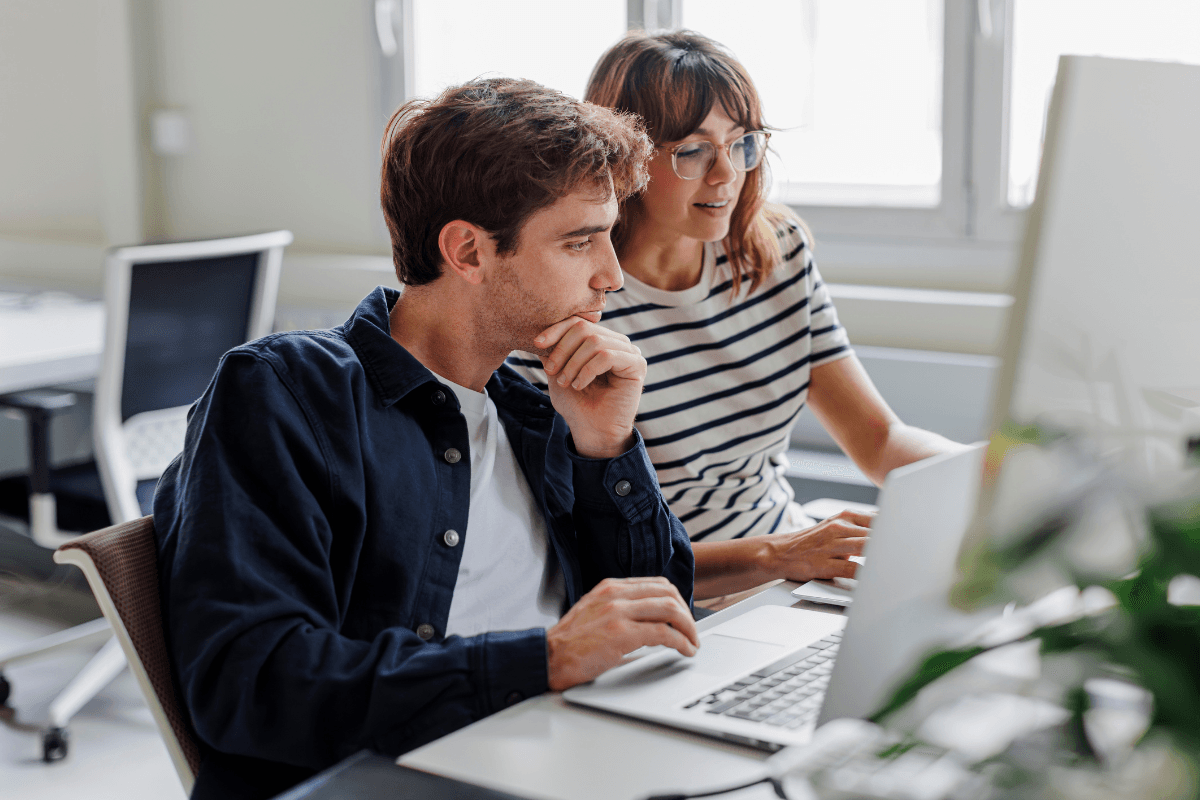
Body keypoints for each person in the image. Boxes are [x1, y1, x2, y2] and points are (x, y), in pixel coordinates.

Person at [153, 78, 698, 800]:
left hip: (565, 754)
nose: (613, 275)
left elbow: (659, 614)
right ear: (468, 251)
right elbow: (251, 683)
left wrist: (607, 446)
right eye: (579, 241)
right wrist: (544, 660)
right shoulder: (287, 392)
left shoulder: (536, 406)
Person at [510, 30, 968, 601]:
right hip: (670, 605)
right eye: (693, 150)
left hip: (794, 577)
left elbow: (879, 440)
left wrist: (985, 478)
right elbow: (587, 554)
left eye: (741, 142)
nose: (727, 174)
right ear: (625, 159)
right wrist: (780, 556)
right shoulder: (567, 308)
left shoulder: (775, 246)